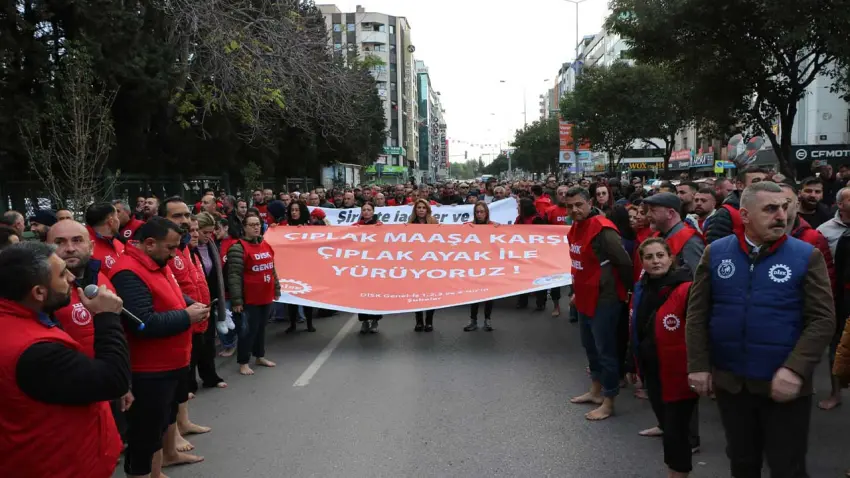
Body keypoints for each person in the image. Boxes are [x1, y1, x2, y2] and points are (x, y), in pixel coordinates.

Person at [686, 181, 835, 478]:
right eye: (770, 209)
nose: (781, 215)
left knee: (787, 466)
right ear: (745, 215)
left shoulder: (806, 255)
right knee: (742, 462)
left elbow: (823, 319)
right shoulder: (716, 253)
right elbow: (697, 313)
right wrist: (699, 365)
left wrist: (795, 369)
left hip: (784, 387)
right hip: (733, 384)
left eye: (784, 207)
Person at [0, 242, 129, 478]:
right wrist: (107, 317)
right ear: (39, 292)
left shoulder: (18, 320)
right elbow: (112, 380)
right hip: (59, 466)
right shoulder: (34, 349)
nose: (71, 278)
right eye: (61, 274)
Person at [110, 217, 210, 477]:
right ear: (150, 243)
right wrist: (187, 316)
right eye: (171, 247)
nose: (175, 253)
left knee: (163, 421)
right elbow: (143, 323)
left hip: (172, 363)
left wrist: (190, 304)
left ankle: (159, 469)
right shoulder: (128, 272)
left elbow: (171, 295)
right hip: (150, 371)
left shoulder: (156, 261)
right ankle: (145, 472)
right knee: (146, 434)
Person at [629, 238, 698, 478]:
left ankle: (678, 472)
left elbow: (699, 331)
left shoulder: (687, 288)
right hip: (652, 367)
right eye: (649, 257)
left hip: (679, 370)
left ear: (671, 258)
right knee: (668, 424)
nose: (655, 261)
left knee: (676, 431)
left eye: (660, 255)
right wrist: (631, 361)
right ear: (642, 262)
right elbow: (635, 325)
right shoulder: (641, 287)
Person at [565, 187, 633, 421]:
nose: (575, 210)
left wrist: (625, 291)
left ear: (589, 202)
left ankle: (609, 399)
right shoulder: (574, 227)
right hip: (584, 296)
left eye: (579, 205)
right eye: (570, 206)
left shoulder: (603, 229)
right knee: (590, 347)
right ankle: (595, 391)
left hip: (605, 299)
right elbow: (578, 263)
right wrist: (576, 292)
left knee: (606, 351)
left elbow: (623, 262)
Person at [227, 214, 282, 375]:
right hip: (249, 299)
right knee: (248, 331)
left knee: (261, 329)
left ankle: (259, 356)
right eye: (251, 225)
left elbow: (272, 269)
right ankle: (243, 362)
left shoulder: (265, 245)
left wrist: (276, 288)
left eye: (257, 224)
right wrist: (237, 300)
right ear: (244, 227)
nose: (256, 227)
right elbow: (234, 276)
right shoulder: (238, 248)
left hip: (265, 296)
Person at [642, 192, 705, 273]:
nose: (648, 215)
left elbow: (697, 279)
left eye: (652, 210)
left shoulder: (691, 241)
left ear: (670, 213)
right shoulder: (659, 235)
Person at [704, 166, 767, 243]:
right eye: (756, 181)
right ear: (740, 185)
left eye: (765, 181)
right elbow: (716, 247)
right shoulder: (724, 214)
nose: (763, 185)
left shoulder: (772, 209)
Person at [281, 201, 316, 332]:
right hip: (290, 266)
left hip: (305, 266)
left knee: (307, 296)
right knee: (292, 297)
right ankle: (293, 324)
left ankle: (309, 323)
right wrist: (274, 229)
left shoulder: (309, 226)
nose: (294, 212)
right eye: (292, 210)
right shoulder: (284, 226)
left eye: (297, 210)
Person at [465, 201, 496, 331]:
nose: (479, 214)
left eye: (481, 212)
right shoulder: (469, 226)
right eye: (477, 212)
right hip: (474, 265)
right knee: (474, 295)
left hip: (489, 265)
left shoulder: (493, 226)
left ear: (486, 213)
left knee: (489, 295)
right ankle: (473, 321)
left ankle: (487, 320)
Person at [409, 199, 439, 331]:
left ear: (427, 209)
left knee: (430, 293)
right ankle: (419, 321)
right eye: (418, 207)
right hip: (415, 263)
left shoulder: (433, 222)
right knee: (417, 293)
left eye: (423, 207)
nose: (421, 210)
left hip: (430, 262)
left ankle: (429, 321)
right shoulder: (409, 223)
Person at [356, 202, 384, 334]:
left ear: (373, 212)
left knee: (374, 295)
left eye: (369, 210)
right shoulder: (356, 226)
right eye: (364, 210)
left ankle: (375, 321)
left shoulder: (379, 226)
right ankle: (364, 321)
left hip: (375, 265)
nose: (366, 212)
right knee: (361, 295)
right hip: (361, 265)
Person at [85, 202, 125, 273]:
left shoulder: (118, 243)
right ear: (111, 221)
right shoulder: (86, 248)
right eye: (117, 217)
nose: (118, 221)